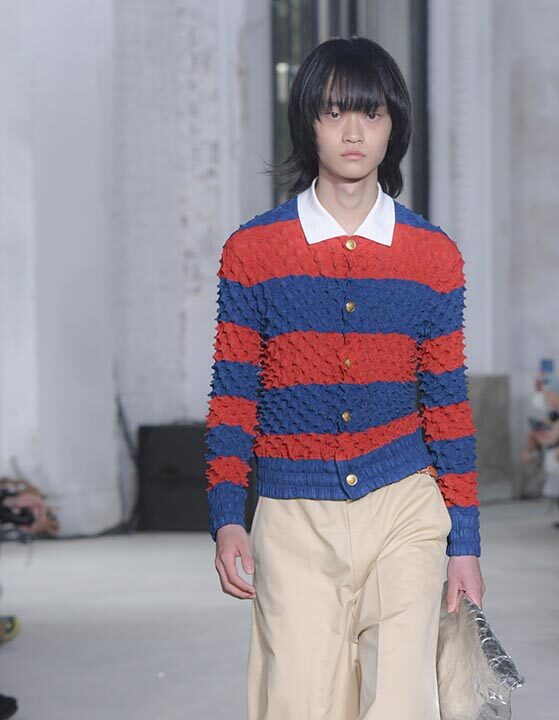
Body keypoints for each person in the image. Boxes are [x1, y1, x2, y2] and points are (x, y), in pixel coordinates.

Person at [204, 36, 484, 719]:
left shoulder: (433, 256)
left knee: (402, 702)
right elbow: (234, 395)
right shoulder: (254, 251)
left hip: (404, 505)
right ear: (308, 122)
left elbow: (447, 406)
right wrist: (226, 517)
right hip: (292, 515)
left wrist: (466, 544)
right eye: (334, 113)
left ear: (394, 125)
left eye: (371, 113)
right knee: (300, 703)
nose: (354, 132)